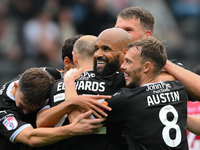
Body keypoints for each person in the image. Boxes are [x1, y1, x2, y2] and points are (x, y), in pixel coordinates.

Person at [66, 36, 190, 150]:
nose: (123, 67)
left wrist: (69, 81)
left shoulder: (127, 99)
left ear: (146, 67)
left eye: (129, 62)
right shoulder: (178, 88)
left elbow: (78, 120)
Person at [0, 67, 107, 150]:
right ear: (16, 86)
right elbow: (31, 138)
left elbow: (76, 72)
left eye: (33, 108)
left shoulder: (49, 75)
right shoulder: (3, 107)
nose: (25, 112)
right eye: (22, 105)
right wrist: (73, 129)